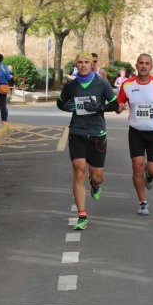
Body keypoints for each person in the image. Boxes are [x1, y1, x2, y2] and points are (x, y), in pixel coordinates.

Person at [57, 51, 121, 230]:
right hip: (77, 132)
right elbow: (60, 103)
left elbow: (115, 104)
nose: (83, 65)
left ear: (91, 64)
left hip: (97, 134)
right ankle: (82, 215)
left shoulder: (101, 83)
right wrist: (66, 106)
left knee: (96, 175)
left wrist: (99, 106)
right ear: (76, 65)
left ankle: (95, 185)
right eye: (80, 62)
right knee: (79, 170)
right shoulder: (71, 86)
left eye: (86, 62)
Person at [117, 53, 153, 216]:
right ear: (136, 65)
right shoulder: (127, 85)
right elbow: (119, 102)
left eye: (147, 63)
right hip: (136, 132)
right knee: (137, 166)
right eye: (141, 63)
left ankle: (149, 175)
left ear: (151, 66)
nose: (143, 66)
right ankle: (143, 202)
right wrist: (119, 107)